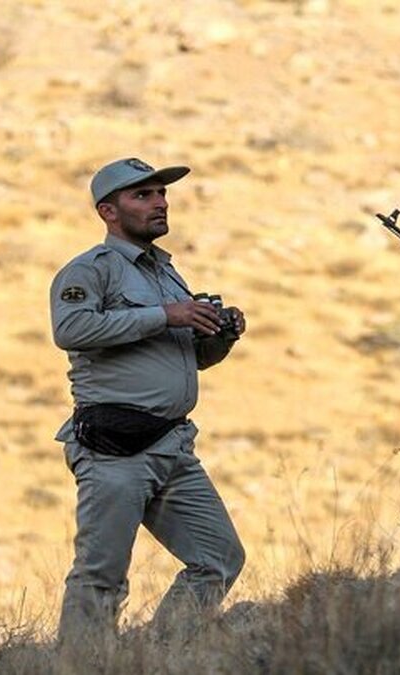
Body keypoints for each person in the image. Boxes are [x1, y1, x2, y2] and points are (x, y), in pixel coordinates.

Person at [49, 157, 246, 649]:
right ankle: (81, 665)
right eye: (143, 195)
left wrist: (220, 335)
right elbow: (70, 329)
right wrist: (165, 315)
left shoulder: (167, 273)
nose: (159, 203)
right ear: (107, 211)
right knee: (101, 576)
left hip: (172, 445)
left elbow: (192, 358)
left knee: (219, 558)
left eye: (161, 194)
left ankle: (159, 655)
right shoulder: (90, 270)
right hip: (114, 447)